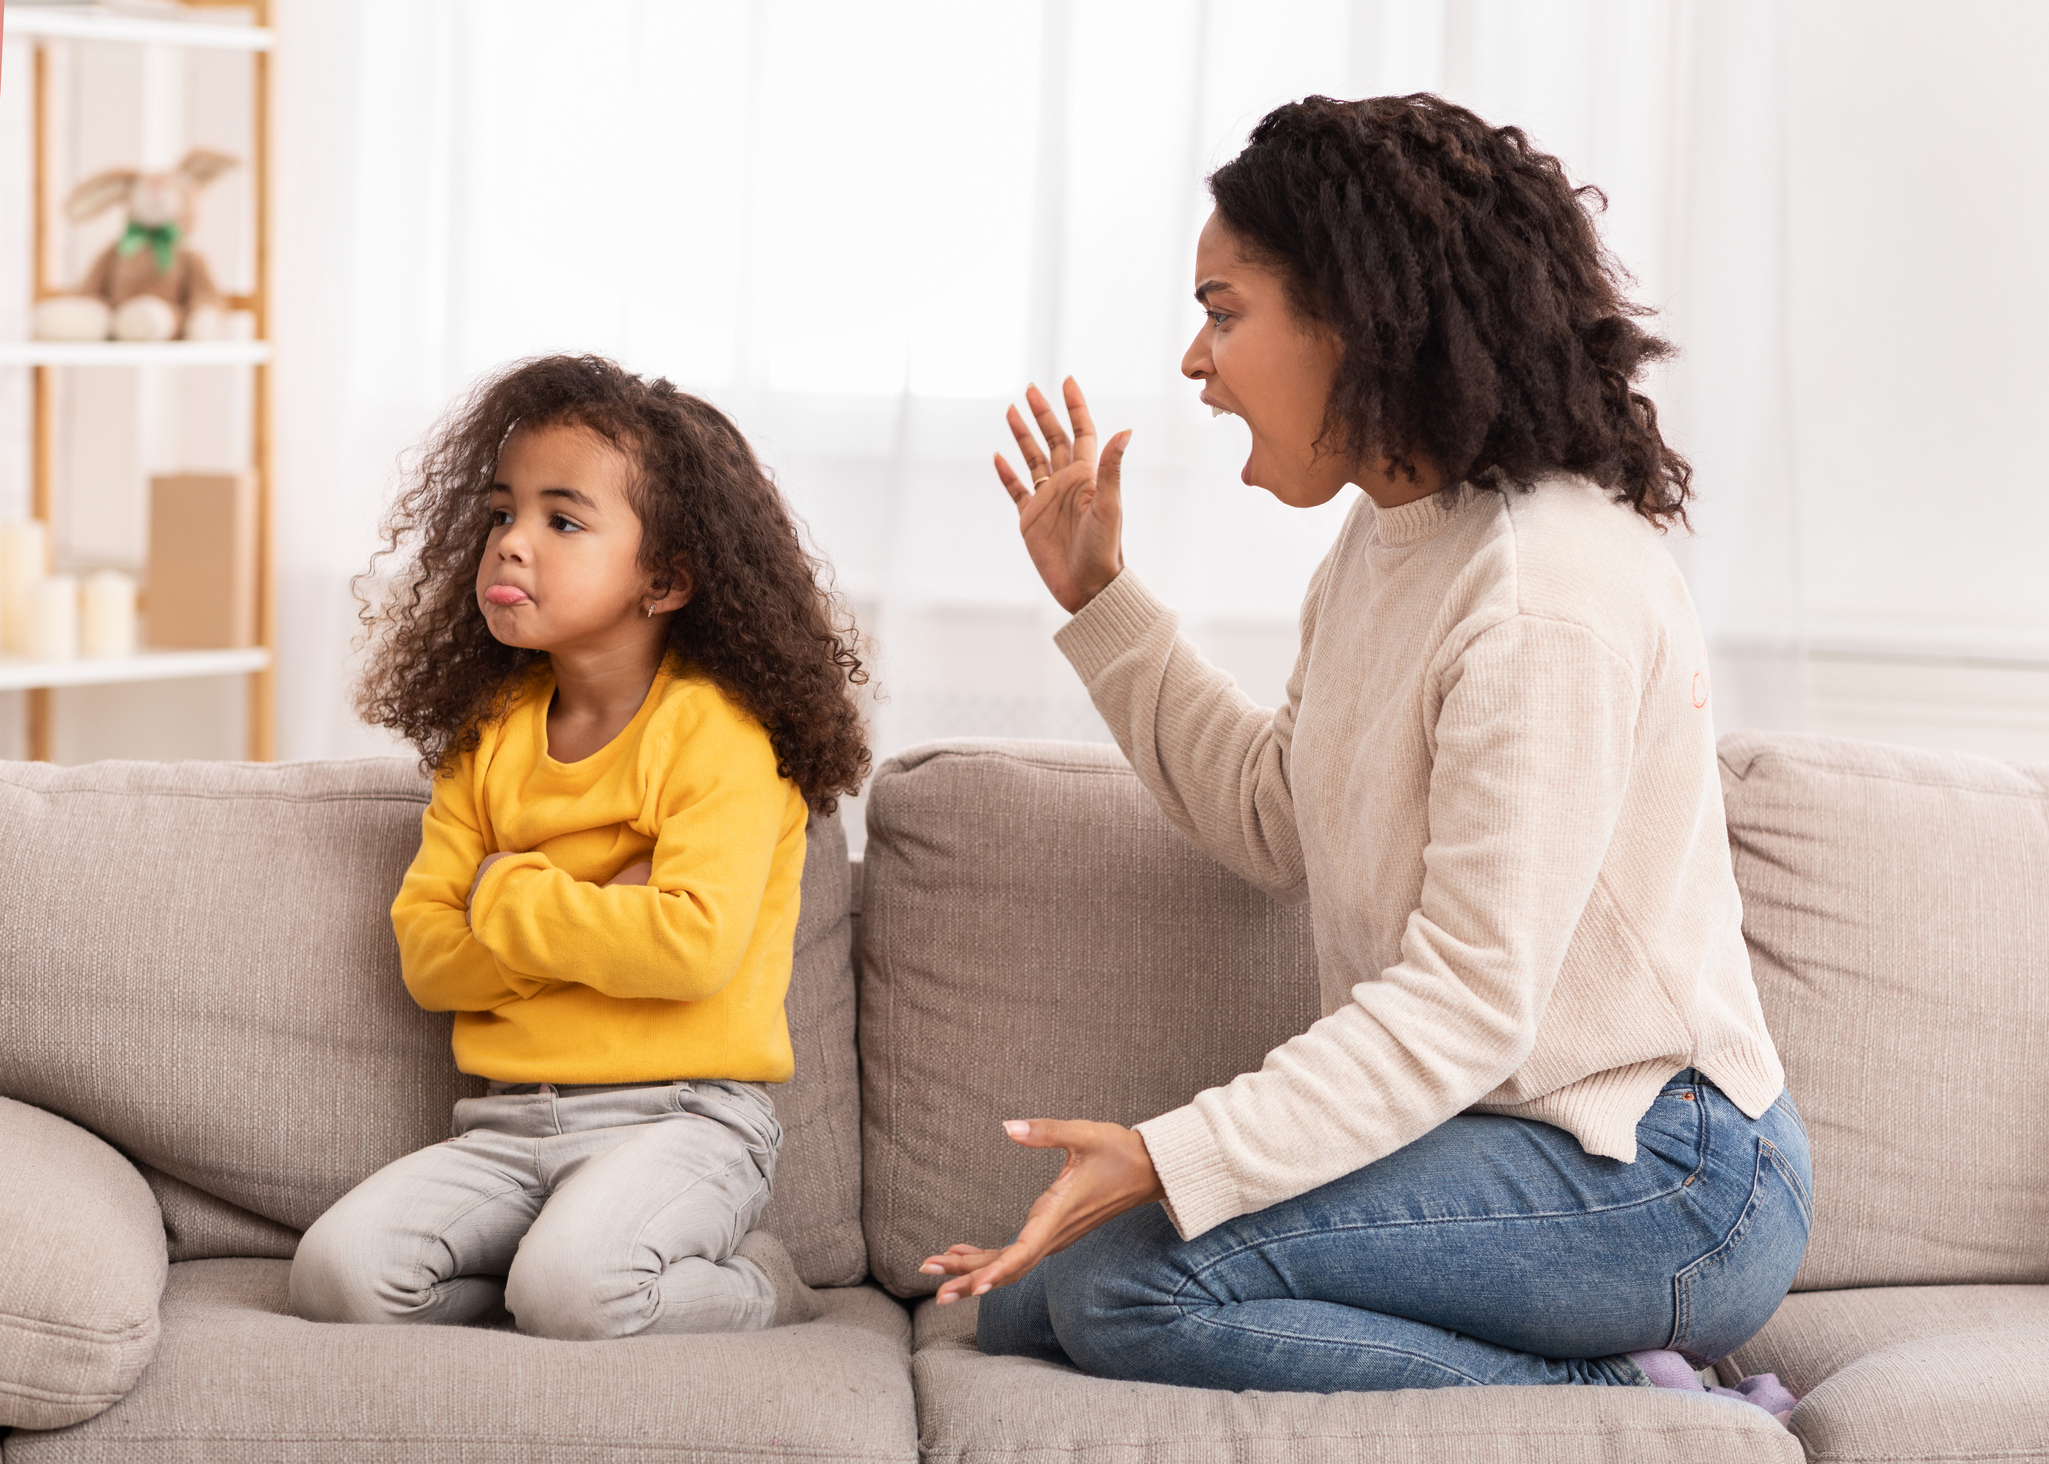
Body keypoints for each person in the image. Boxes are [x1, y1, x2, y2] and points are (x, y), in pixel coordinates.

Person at [922, 95, 1811, 1421]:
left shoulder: (1543, 588)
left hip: (1667, 1177)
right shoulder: (1396, 541)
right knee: (1021, 1310)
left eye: (1224, 312)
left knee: (1118, 1294)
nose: (1193, 362)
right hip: (1518, 1145)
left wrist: (1173, 1156)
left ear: (1356, 314)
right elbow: (1281, 814)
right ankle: (1615, 1379)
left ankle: (1641, 1400)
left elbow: (1466, 1001)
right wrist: (1101, 596)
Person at [289, 354, 868, 1340]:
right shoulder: (486, 736)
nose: (512, 544)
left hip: (686, 1121)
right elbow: (430, 961)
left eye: (562, 520)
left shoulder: (714, 733)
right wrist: (604, 904)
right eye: (500, 513)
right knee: (335, 1277)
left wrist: (508, 892)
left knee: (575, 1291)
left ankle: (760, 1285)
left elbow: (688, 952)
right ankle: (548, 1282)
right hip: (508, 1123)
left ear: (667, 577)